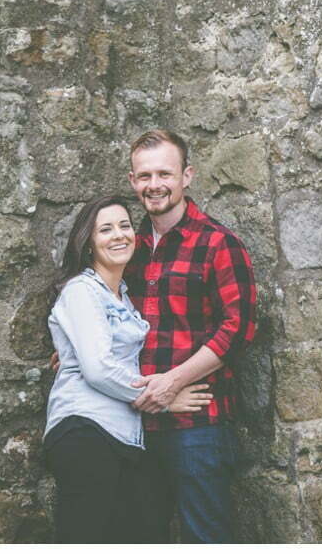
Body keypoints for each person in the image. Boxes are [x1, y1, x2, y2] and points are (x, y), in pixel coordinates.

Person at [50, 130, 257, 543]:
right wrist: (73, 350)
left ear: (187, 176)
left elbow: (238, 329)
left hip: (196, 423)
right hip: (135, 426)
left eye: (165, 173)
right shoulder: (129, 246)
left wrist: (172, 383)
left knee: (204, 537)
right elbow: (102, 320)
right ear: (133, 181)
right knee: (140, 536)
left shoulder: (218, 243)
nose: (154, 184)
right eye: (145, 176)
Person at [44, 194, 214, 544]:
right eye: (105, 229)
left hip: (124, 435)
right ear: (88, 243)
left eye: (124, 226)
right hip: (85, 429)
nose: (119, 235)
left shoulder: (123, 296)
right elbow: (98, 369)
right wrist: (163, 397)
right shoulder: (81, 291)